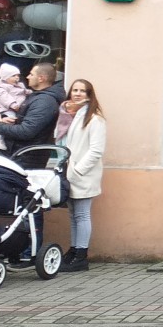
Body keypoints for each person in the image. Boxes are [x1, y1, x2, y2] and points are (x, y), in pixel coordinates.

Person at [0, 62, 66, 270]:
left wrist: (1, 126)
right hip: (23, 157)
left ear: (42, 78)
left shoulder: (44, 101)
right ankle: (18, 251)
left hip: (29, 160)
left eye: (32, 74)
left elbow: (29, 131)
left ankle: (29, 253)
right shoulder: (37, 98)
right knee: (22, 205)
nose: (27, 76)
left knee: (30, 205)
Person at [56, 79, 106, 272]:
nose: (77, 94)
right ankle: (74, 249)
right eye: (74, 90)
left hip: (82, 174)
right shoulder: (69, 116)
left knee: (82, 214)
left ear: (89, 95)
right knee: (73, 215)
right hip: (68, 172)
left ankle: (81, 255)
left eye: (82, 91)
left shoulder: (95, 119)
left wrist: (78, 170)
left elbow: (95, 151)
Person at [0, 63, 31, 151]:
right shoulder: (0, 87)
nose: (17, 78)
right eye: (13, 76)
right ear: (5, 77)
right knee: (9, 121)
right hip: (7, 109)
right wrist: (13, 105)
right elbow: (5, 98)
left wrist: (30, 92)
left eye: (18, 75)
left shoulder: (19, 85)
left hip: (19, 108)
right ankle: (0, 138)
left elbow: (23, 92)